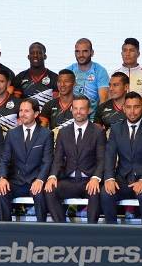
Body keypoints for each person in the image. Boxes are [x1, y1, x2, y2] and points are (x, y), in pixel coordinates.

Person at [44, 95, 105, 223]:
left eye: (82, 109)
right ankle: (62, 228)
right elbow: (58, 159)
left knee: (96, 192)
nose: (78, 112)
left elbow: (102, 159)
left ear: (89, 110)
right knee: (50, 190)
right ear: (71, 110)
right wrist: (53, 176)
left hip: (88, 180)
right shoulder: (63, 132)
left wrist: (95, 178)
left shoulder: (98, 132)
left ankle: (91, 232)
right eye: (75, 108)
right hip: (69, 180)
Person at [101, 92, 142, 225]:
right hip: (122, 179)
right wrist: (109, 178)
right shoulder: (116, 129)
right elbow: (110, 155)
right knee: (106, 192)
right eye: (128, 107)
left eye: (136, 107)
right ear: (123, 108)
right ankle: (112, 233)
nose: (132, 111)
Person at [0, 98, 53, 222]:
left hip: (35, 181)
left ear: (36, 114)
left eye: (27, 111)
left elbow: (47, 161)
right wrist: (2, 178)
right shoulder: (12, 134)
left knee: (40, 194)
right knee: (1, 190)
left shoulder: (46, 134)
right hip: (17, 181)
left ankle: (42, 231)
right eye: (21, 110)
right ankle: (5, 230)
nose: (22, 114)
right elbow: (4, 159)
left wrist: (40, 180)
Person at [66, 38, 110, 117]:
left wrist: (98, 121)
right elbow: (62, 97)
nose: (81, 55)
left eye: (85, 51)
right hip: (72, 117)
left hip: (93, 117)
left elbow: (104, 100)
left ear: (92, 53)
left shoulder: (100, 71)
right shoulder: (69, 71)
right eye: (77, 51)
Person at [12, 42, 58, 108]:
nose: (35, 55)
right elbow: (16, 104)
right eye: (32, 53)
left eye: (39, 53)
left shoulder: (54, 77)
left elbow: (55, 104)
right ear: (28, 57)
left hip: (47, 117)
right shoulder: (20, 77)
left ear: (45, 56)